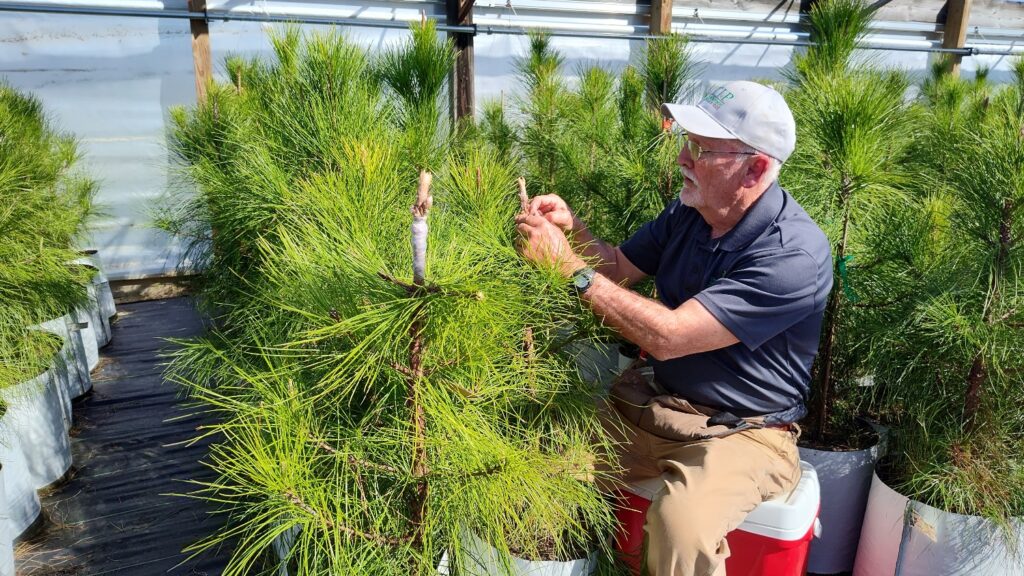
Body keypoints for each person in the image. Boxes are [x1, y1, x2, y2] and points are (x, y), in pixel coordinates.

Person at [515, 80, 833, 576]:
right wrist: (572, 233)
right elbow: (618, 266)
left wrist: (567, 269)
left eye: (702, 150)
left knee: (679, 524)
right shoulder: (691, 211)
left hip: (743, 432)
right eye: (685, 143)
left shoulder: (792, 255)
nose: (683, 159)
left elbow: (668, 335)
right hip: (657, 404)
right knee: (541, 462)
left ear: (756, 168)